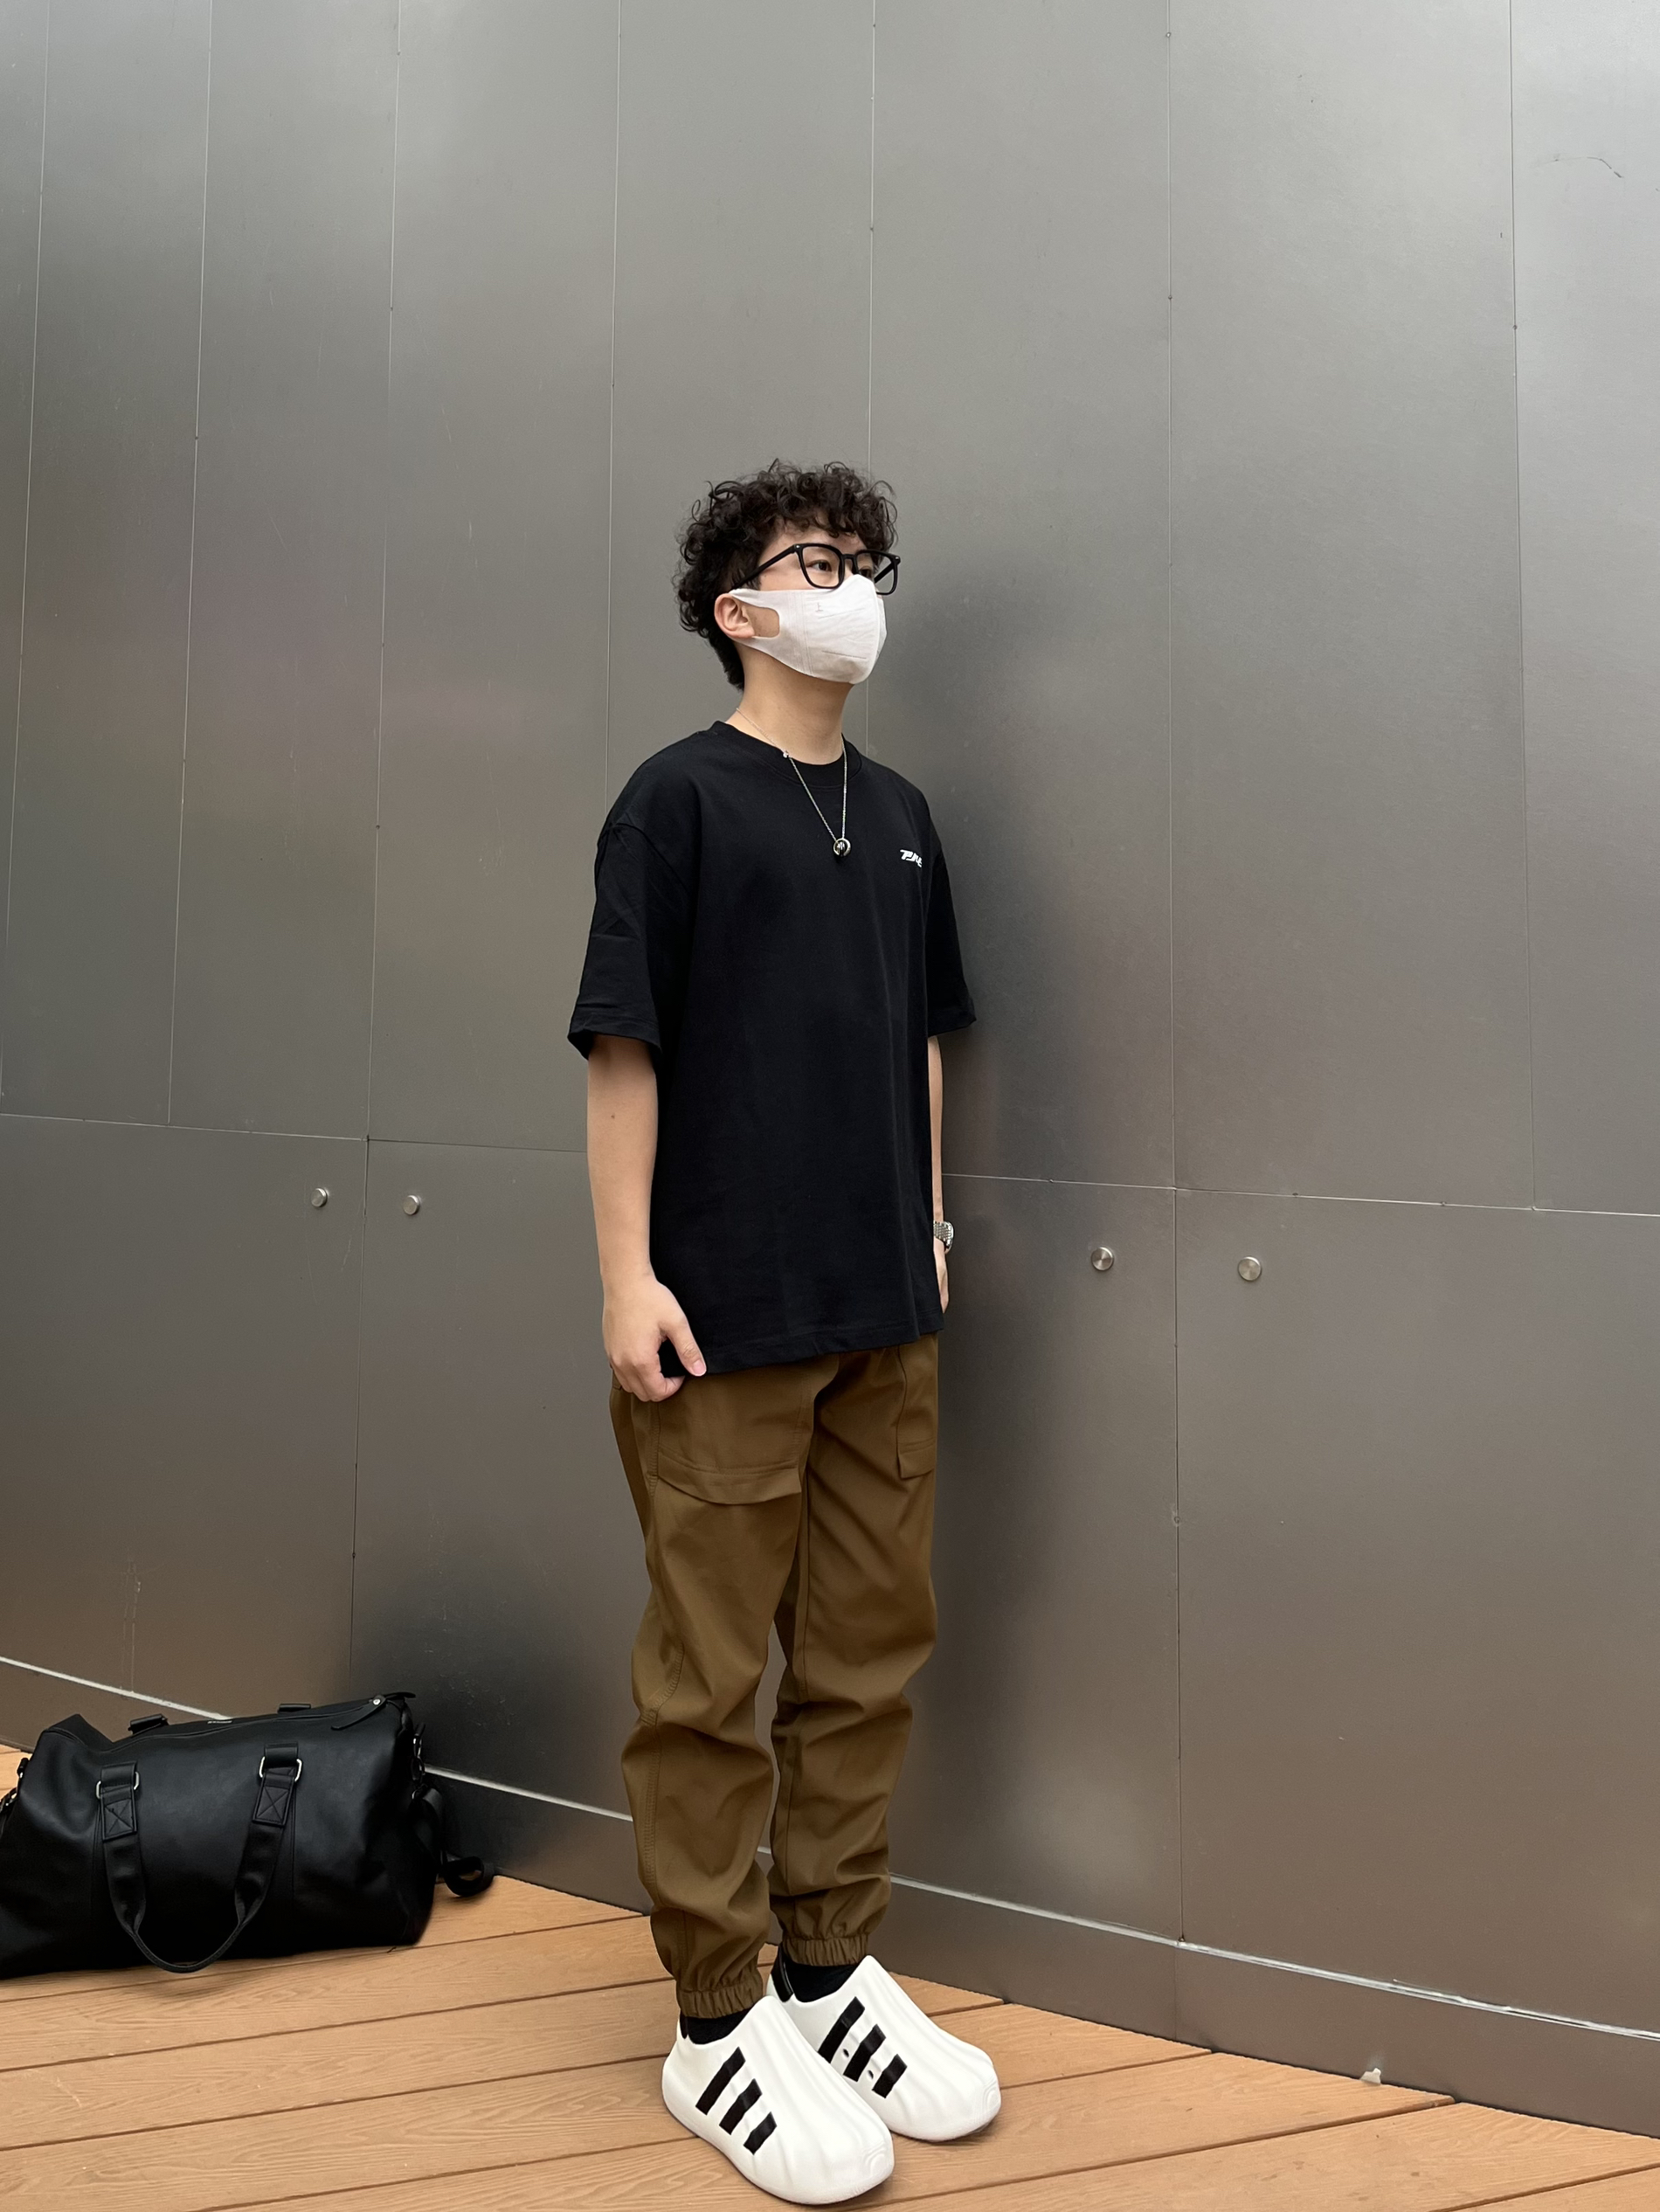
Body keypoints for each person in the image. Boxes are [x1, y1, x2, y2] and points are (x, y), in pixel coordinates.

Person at [571, 460, 997, 2203]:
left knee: (864, 1659)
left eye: (868, 561)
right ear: (736, 608)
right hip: (720, 1321)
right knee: (708, 1683)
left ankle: (825, 1972)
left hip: (883, 1309)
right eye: (818, 561)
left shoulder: (899, 812)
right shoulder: (673, 803)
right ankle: (713, 2013)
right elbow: (624, 1046)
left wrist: (931, 1227)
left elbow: (922, 1039)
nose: (853, 588)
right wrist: (626, 1276)